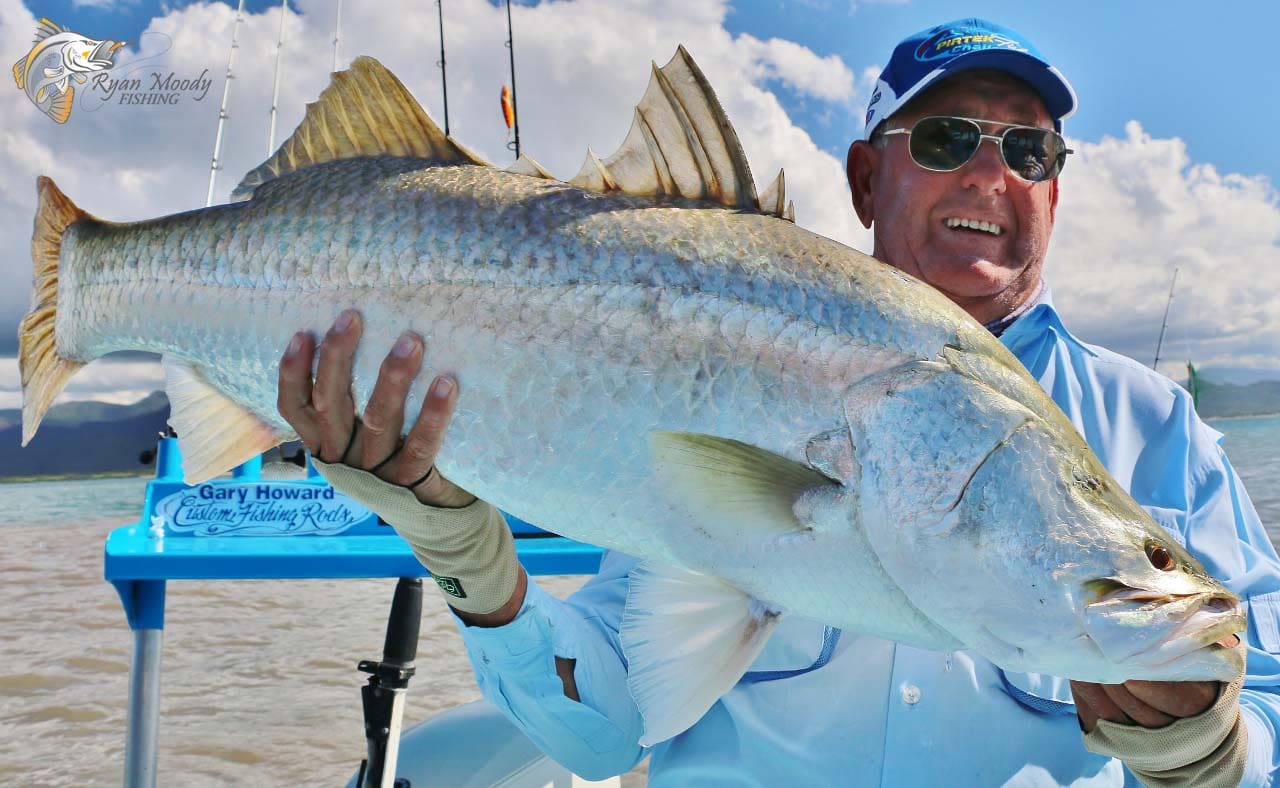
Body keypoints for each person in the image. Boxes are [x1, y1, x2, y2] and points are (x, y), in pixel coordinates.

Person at [276, 18, 1280, 786]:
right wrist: (468, 555)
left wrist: (1211, 744)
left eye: (1029, 153)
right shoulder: (723, 354)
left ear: (1053, 192)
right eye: (944, 138)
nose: (991, 171)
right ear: (862, 174)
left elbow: (1266, 696)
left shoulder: (1152, 427)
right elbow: (605, 724)